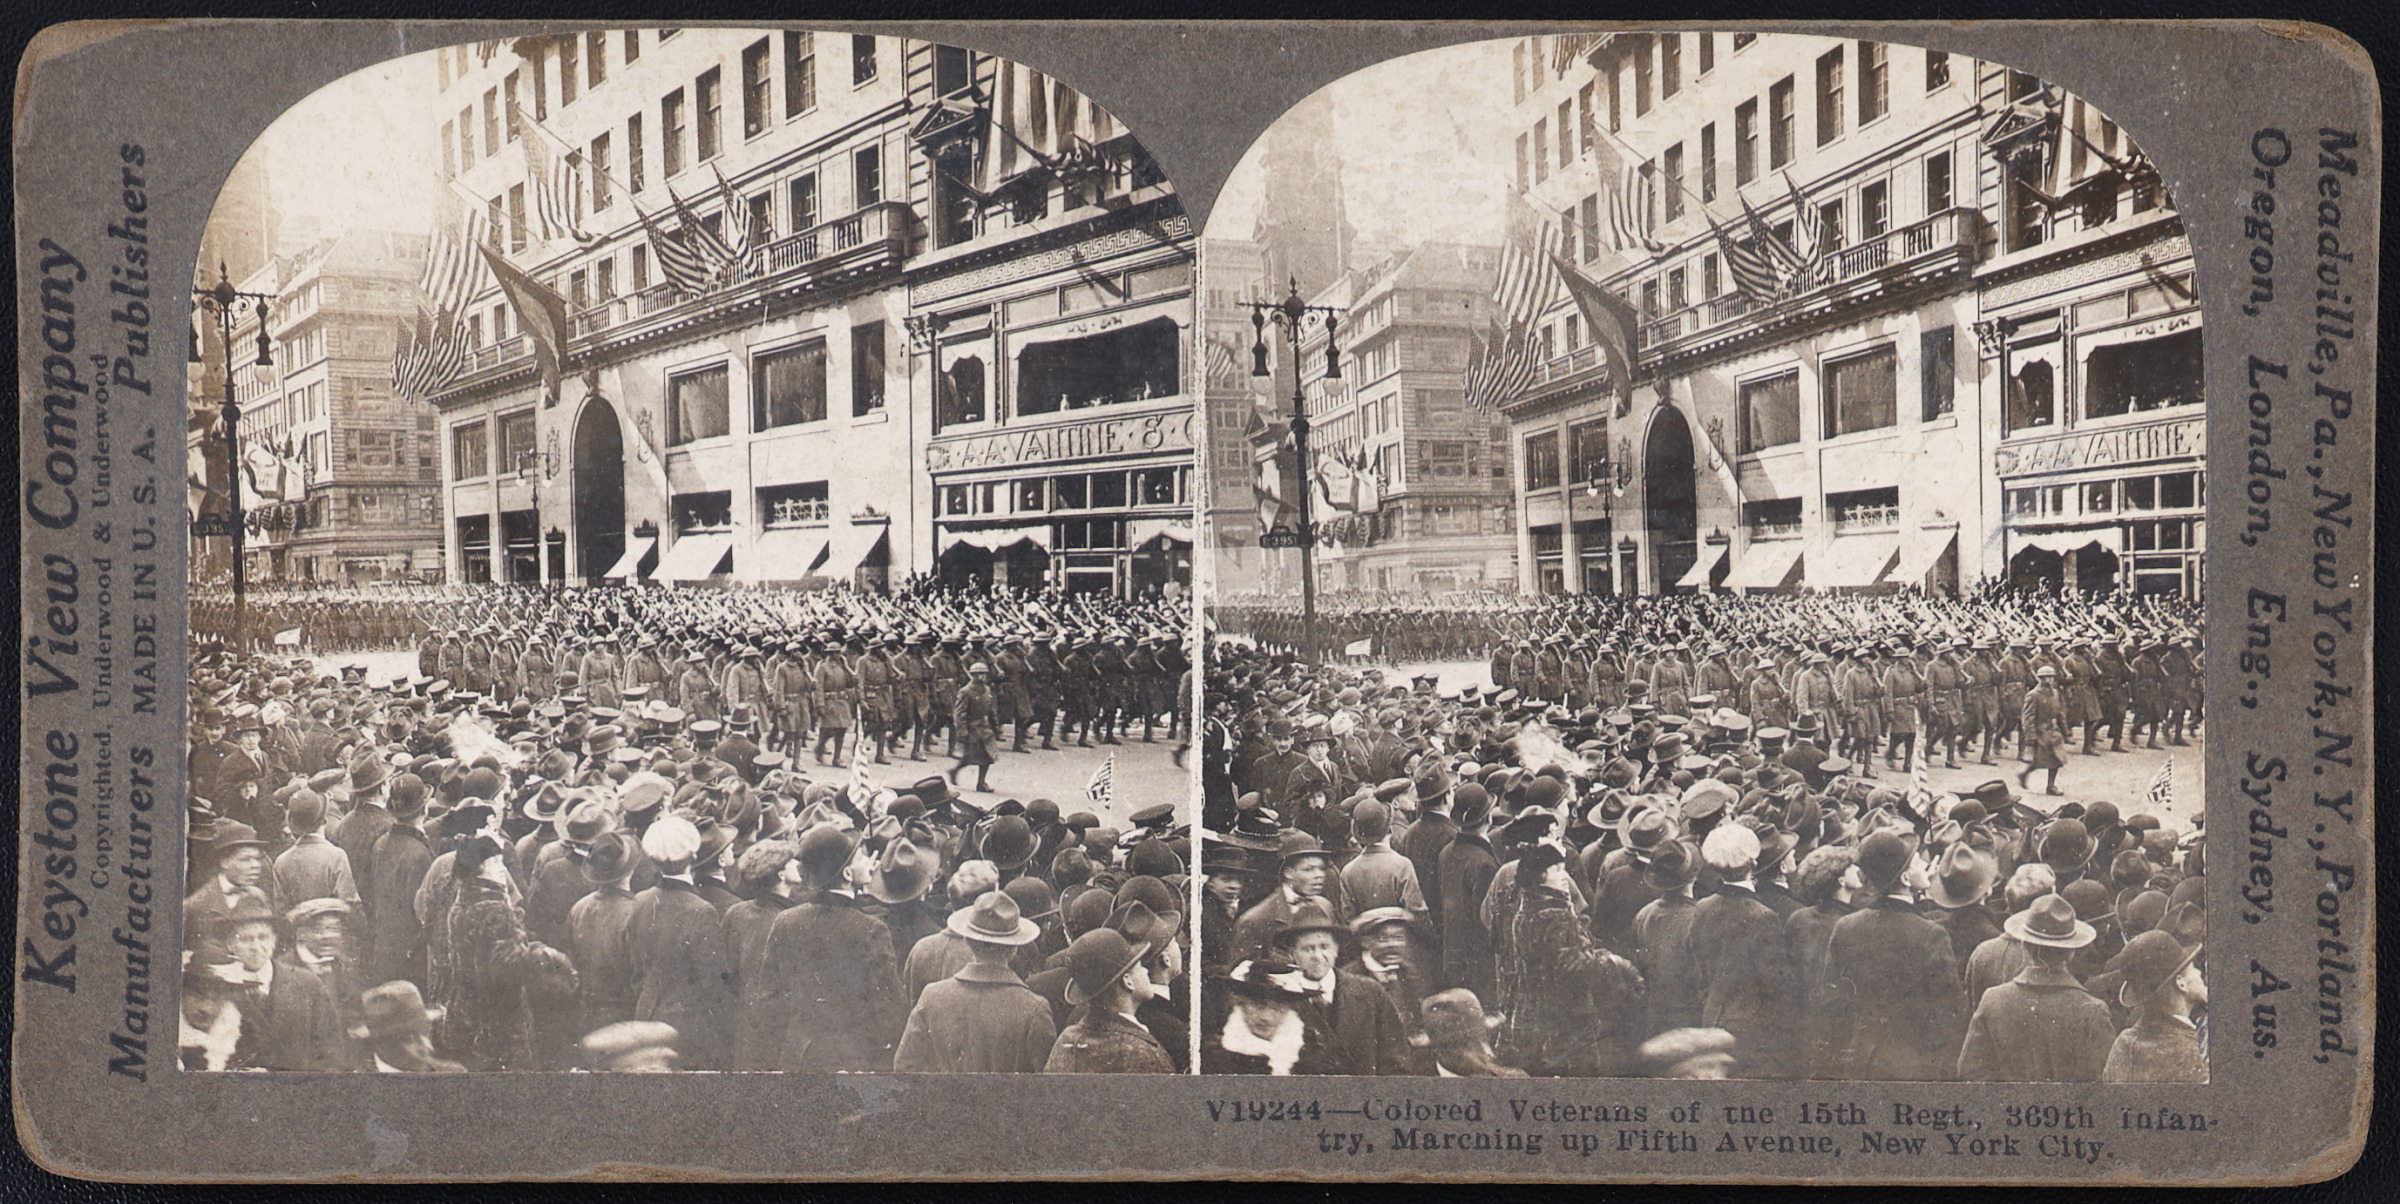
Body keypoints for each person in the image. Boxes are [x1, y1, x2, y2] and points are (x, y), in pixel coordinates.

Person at [1821, 831, 1968, 1080]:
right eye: (1916, 862)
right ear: (1905, 878)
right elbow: (1951, 1013)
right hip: (1914, 1066)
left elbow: (1833, 1003)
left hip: (1861, 1060)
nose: (1925, 865)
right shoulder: (1930, 933)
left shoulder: (1846, 926)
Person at [764, 824, 907, 1072]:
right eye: (861, 857)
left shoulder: (786, 920)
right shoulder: (871, 929)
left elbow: (770, 1000)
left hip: (796, 1057)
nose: (869, 862)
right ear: (847, 875)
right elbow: (888, 1010)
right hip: (852, 1061)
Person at [1955, 893, 2116, 1081]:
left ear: (2024, 945)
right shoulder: (2093, 1011)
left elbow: (1969, 1071)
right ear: (2071, 952)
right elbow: (2104, 1084)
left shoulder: (1992, 1000)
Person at [893, 891, 1056, 1073]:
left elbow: (905, 1068)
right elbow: (1047, 1085)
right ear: (1014, 949)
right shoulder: (1034, 1008)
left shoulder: (932, 997)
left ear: (967, 941)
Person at [625, 815, 735, 1071]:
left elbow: (635, 962)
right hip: (687, 1026)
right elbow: (713, 981)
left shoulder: (640, 900)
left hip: (646, 1012)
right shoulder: (702, 910)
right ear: (693, 857)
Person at [208, 901, 350, 1071]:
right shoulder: (218, 988)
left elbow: (330, 1050)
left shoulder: (307, 983)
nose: (256, 947)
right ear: (230, 945)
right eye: (245, 939)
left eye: (263, 937)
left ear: (274, 940)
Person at [1274, 917, 1410, 1077]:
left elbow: (1394, 1057)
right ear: (1293, 953)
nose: (1318, 956)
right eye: (1307, 949)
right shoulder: (1281, 997)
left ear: (1336, 950)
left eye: (1324, 947)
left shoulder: (1369, 991)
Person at [1044, 928, 1175, 1073]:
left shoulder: (1066, 1041)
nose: (1146, 971)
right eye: (1139, 966)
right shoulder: (1144, 1054)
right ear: (1128, 981)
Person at [2102, 930, 2207, 1082]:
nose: (2198, 972)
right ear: (2180, 983)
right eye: (2192, 967)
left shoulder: (2122, 1044)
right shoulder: (2195, 1052)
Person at [353, 980, 468, 1073]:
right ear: (381, 1044)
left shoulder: (454, 1074)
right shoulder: (356, 1086)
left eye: (423, 1030)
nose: (426, 1044)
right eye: (406, 1037)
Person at [949, 663, 1000, 793]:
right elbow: (959, 714)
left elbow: (991, 709)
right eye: (979, 674)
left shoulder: (987, 689)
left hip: (985, 727)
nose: (982, 677)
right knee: (972, 755)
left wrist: (996, 725)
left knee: (988, 756)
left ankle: (981, 783)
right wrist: (962, 733)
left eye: (984, 674)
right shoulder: (966, 691)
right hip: (972, 727)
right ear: (973, 675)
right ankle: (955, 770)